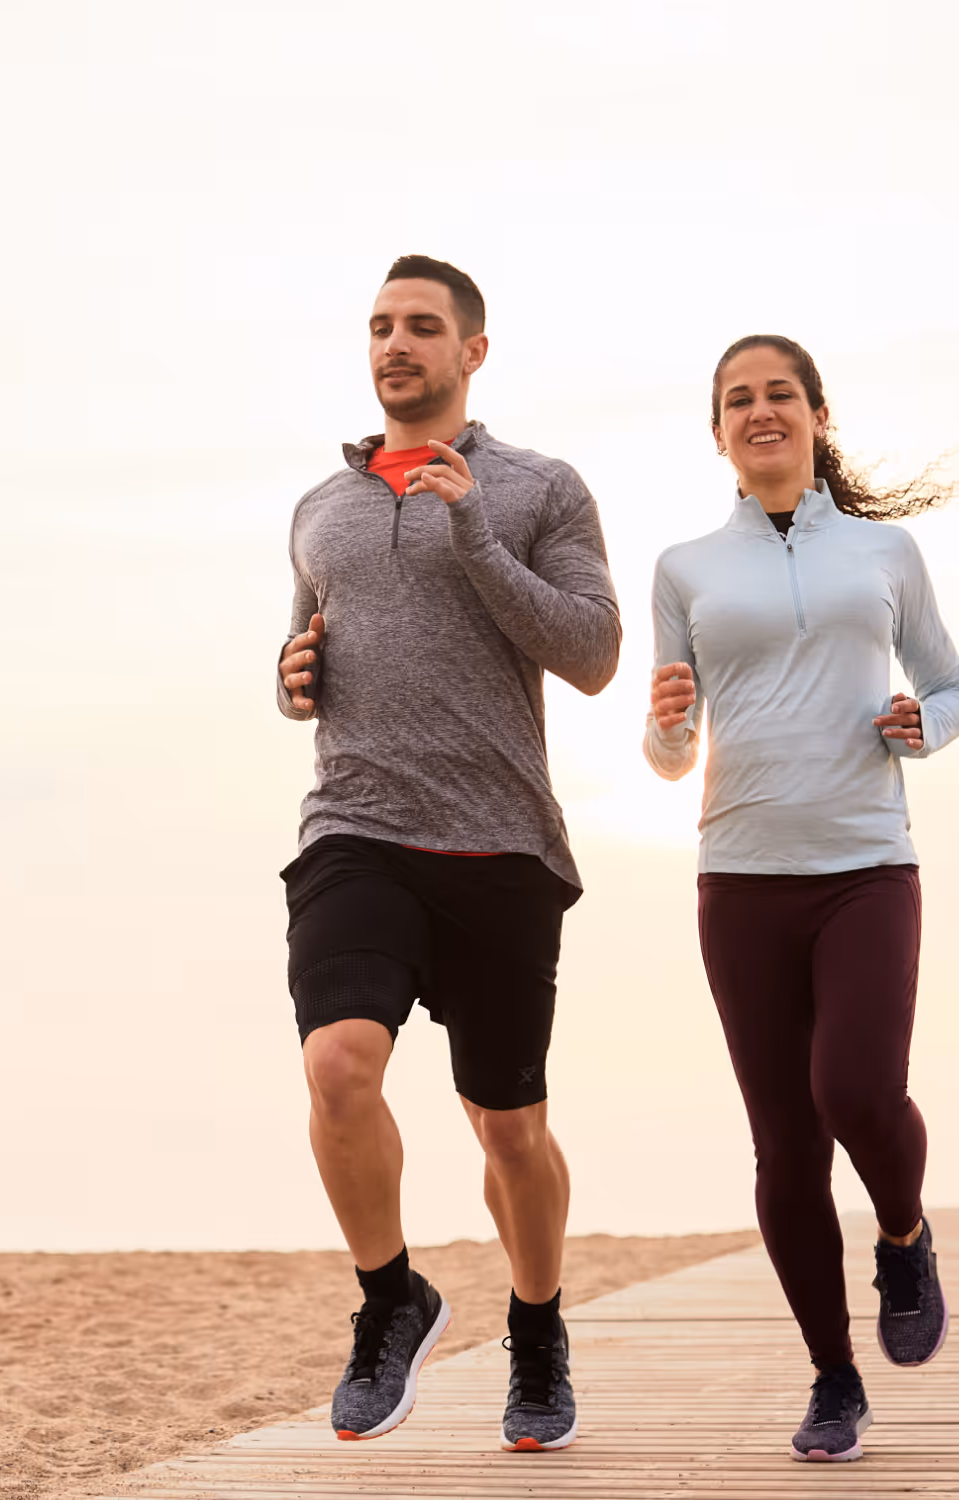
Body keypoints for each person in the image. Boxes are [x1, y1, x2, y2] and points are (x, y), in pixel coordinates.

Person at [276, 255, 620, 1450]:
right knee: (337, 1069)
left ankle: (537, 1329)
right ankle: (391, 1299)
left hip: (501, 847)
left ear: (474, 350)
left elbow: (590, 652)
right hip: (355, 830)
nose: (394, 345)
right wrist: (291, 679)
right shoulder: (319, 509)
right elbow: (304, 659)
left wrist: (472, 525)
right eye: (379, 326)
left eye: (422, 327)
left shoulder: (538, 488)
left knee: (508, 1125)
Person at [644, 333, 959, 1464]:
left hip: (867, 863)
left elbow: (949, 677)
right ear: (719, 431)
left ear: (816, 416)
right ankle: (833, 1379)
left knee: (855, 1090)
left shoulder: (885, 553)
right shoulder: (684, 566)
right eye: (739, 398)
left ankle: (905, 1234)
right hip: (739, 878)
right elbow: (669, 750)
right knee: (784, 1143)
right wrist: (670, 722)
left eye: (780, 393)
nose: (760, 410)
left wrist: (927, 724)